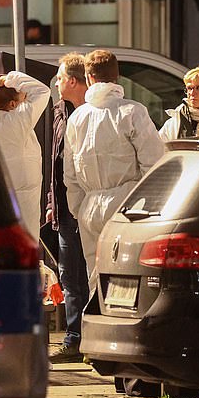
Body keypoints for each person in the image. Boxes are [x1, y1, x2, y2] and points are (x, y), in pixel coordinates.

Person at [63, 49, 164, 277]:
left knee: (95, 278)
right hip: (127, 206)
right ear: (117, 77)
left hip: (89, 207)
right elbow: (154, 165)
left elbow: (69, 174)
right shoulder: (132, 112)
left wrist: (79, 209)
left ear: (88, 78)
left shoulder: (77, 118)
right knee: (129, 276)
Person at [46, 53, 90, 362]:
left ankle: (87, 337)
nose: (57, 83)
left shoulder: (92, 113)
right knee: (70, 276)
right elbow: (55, 162)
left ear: (73, 81)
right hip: (64, 208)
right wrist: (52, 202)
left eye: (60, 78)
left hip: (89, 206)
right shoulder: (59, 112)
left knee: (89, 274)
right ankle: (75, 338)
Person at [0, 70, 51, 240]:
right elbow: (42, 91)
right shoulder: (16, 121)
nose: (25, 101)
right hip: (23, 203)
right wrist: (4, 79)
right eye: (22, 99)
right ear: (12, 105)